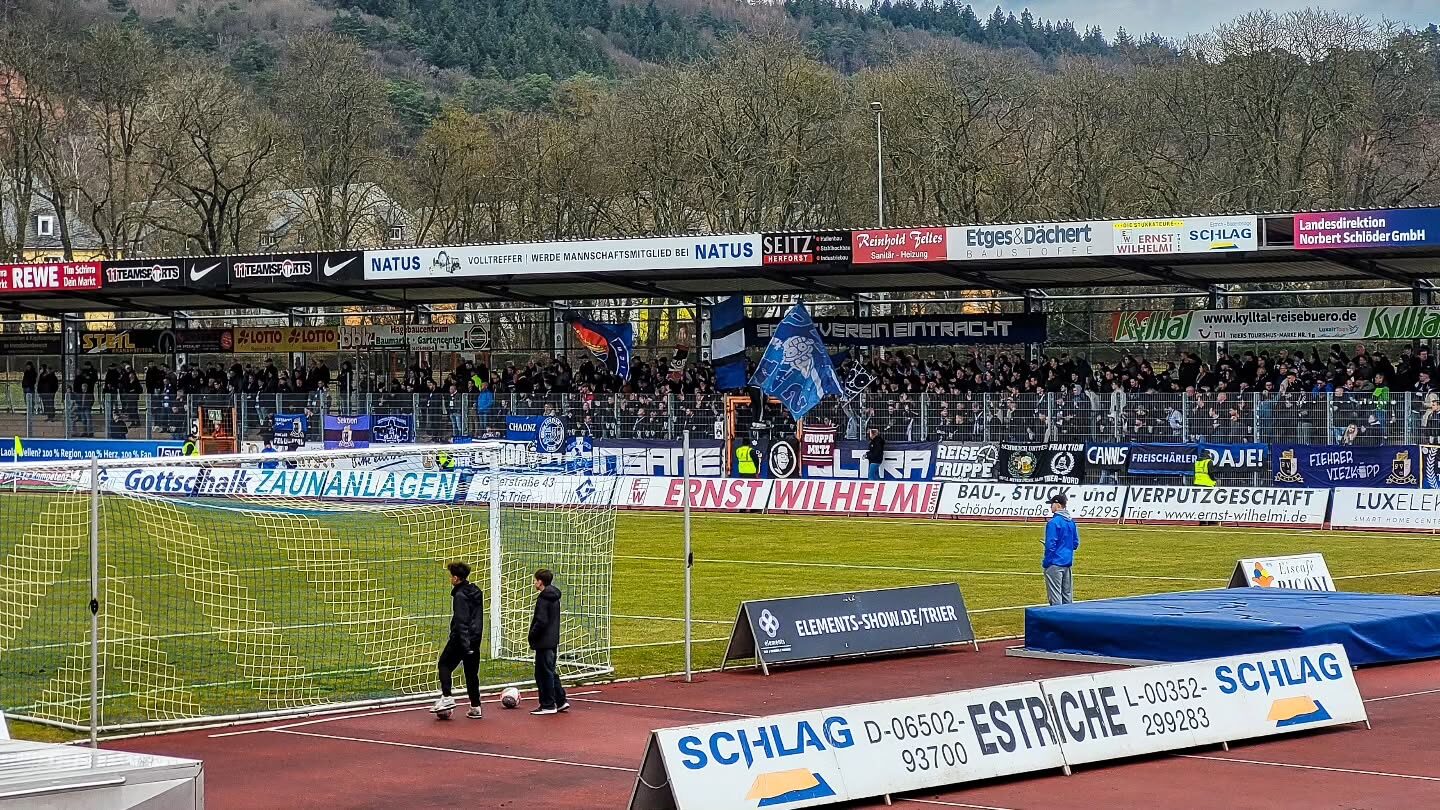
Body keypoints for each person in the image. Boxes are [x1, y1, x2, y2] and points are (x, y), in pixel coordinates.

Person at [431, 561, 485, 719]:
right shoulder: (476, 591)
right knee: (471, 673)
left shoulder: (460, 596)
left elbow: (462, 621)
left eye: (451, 577)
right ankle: (476, 707)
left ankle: (447, 697)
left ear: (456, 578)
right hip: (475, 638)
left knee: (444, 664)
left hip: (462, 639)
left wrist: (464, 643)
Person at [527, 568, 569, 716]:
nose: (534, 583)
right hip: (552, 640)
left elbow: (541, 621)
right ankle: (561, 700)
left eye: (535, 580)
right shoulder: (554, 597)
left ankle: (548, 704)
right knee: (550, 671)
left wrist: (532, 635)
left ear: (540, 581)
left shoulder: (544, 598)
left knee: (543, 674)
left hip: (544, 642)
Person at [1043, 493, 1079, 606]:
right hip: (1067, 562)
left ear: (1057, 505)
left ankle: (1056, 620)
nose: (1050, 507)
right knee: (1067, 594)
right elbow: (1075, 543)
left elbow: (1050, 544)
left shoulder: (1053, 523)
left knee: (1055, 595)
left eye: (1052, 504)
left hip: (1055, 562)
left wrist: (1047, 562)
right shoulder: (1071, 522)